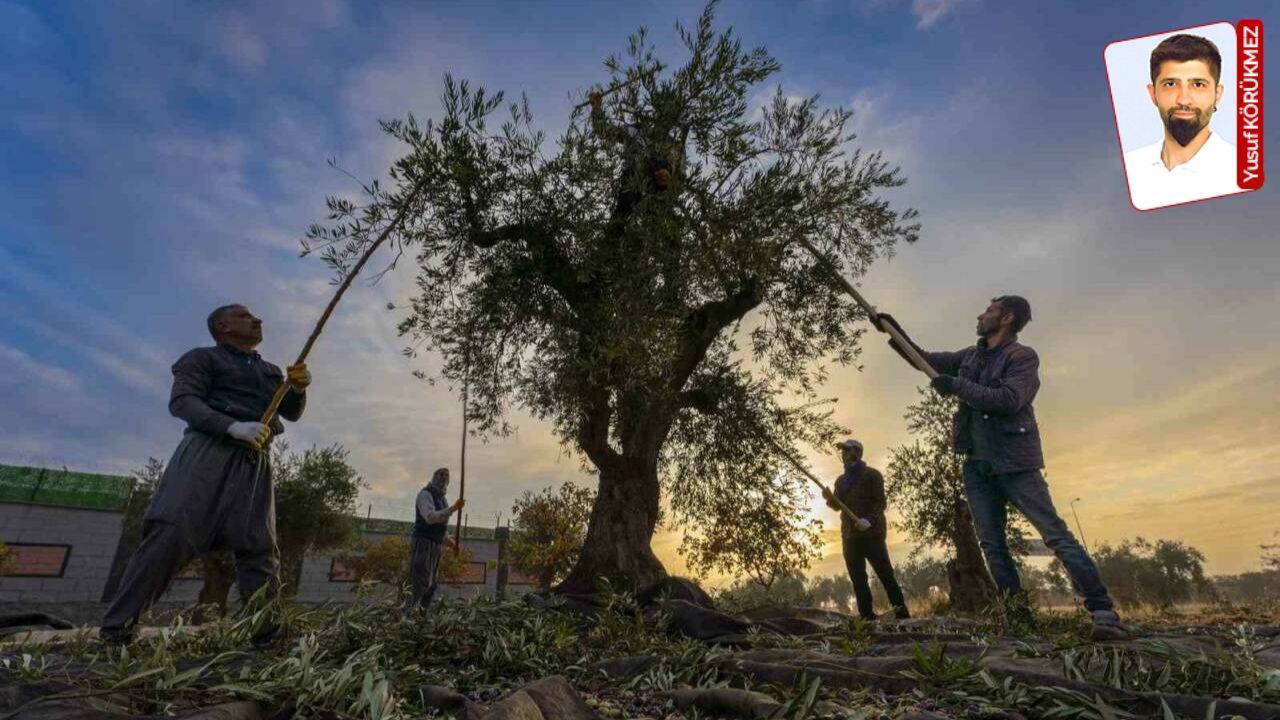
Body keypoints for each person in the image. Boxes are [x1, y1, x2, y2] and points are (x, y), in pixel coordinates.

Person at [877, 297, 1127, 640]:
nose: (981, 315)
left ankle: (1102, 611)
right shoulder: (971, 355)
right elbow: (926, 361)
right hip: (976, 464)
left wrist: (956, 386)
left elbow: (1010, 400)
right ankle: (1018, 619)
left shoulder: (1022, 357)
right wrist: (895, 333)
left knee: (1055, 535)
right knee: (992, 545)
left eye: (989, 311)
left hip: (1015, 463)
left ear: (1006, 318)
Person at [100, 304, 309, 645]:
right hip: (207, 453)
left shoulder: (271, 371)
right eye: (245, 316)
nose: (256, 319)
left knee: (259, 547)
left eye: (254, 316)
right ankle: (117, 631)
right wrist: (231, 427)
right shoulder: (202, 359)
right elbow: (182, 402)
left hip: (256, 462)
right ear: (222, 326)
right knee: (171, 534)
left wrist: (298, 388)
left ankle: (267, 637)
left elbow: (293, 413)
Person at [1122, 33, 1244, 210]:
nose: (1184, 100)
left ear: (1217, 95)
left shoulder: (1241, 172)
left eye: (1198, 84)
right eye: (1170, 84)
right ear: (1153, 94)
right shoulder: (1129, 168)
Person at [823, 438, 910, 621]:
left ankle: (903, 616)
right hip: (849, 537)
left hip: (873, 535)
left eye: (848, 451)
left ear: (858, 453)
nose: (845, 454)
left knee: (886, 576)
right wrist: (829, 498)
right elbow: (837, 506)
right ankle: (867, 619)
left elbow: (880, 502)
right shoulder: (841, 481)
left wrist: (869, 520)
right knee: (858, 580)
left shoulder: (873, 475)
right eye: (843, 452)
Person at [409, 468, 465, 611]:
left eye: (446, 476)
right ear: (433, 477)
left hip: (435, 546)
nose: (443, 478)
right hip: (423, 544)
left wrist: (453, 545)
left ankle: (421, 618)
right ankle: (409, 619)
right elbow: (430, 518)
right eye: (440, 474)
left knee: (431, 586)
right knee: (419, 584)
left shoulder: (442, 499)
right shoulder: (425, 494)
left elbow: (440, 529)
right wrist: (453, 509)